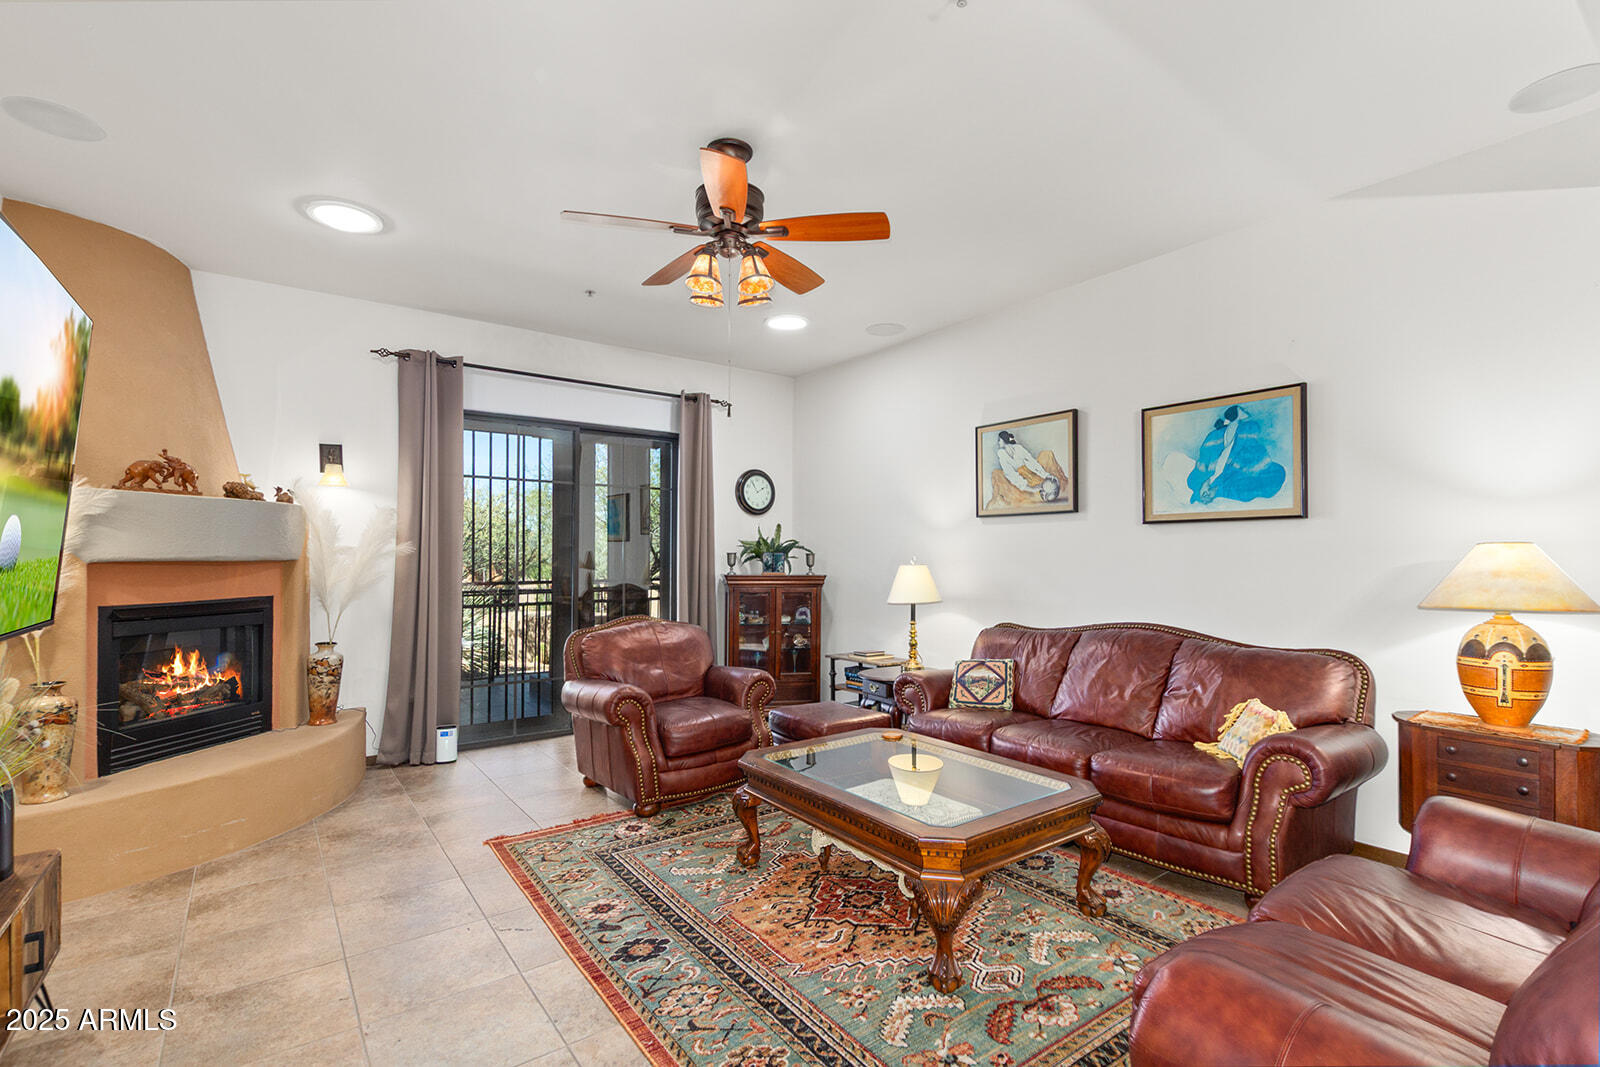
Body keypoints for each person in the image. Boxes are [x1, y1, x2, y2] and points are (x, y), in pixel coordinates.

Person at [1186, 405, 1286, 504]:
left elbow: (1205, 458)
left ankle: (1234, 420)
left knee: (1273, 475)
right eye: (1207, 496)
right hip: (1230, 470)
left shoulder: (1194, 480)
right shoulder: (1222, 487)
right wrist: (1210, 486)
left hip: (1231, 464)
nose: (1207, 493)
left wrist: (1209, 486)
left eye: (1204, 494)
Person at [987, 430, 1069, 508]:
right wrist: (1030, 488)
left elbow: (1031, 462)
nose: (998, 443)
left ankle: (1048, 491)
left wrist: (1045, 474)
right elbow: (1010, 474)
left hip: (1031, 474)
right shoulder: (1001, 454)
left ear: (1004, 440)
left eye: (999, 440)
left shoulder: (1018, 448)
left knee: (1046, 454)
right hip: (1019, 480)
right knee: (997, 474)